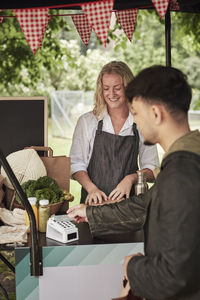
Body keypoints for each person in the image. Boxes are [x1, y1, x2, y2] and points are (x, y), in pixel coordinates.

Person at [68, 65, 200, 299]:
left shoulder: (181, 174)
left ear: (156, 114)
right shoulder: (180, 166)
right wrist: (91, 212)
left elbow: (176, 274)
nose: (134, 121)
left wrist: (133, 267)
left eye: (137, 113)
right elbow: (145, 203)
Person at [70, 61, 159, 205]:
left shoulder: (141, 122)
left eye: (117, 88)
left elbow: (152, 169)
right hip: (93, 204)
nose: (111, 94)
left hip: (128, 206)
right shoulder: (87, 122)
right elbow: (76, 164)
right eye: (106, 88)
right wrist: (91, 189)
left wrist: (131, 178)